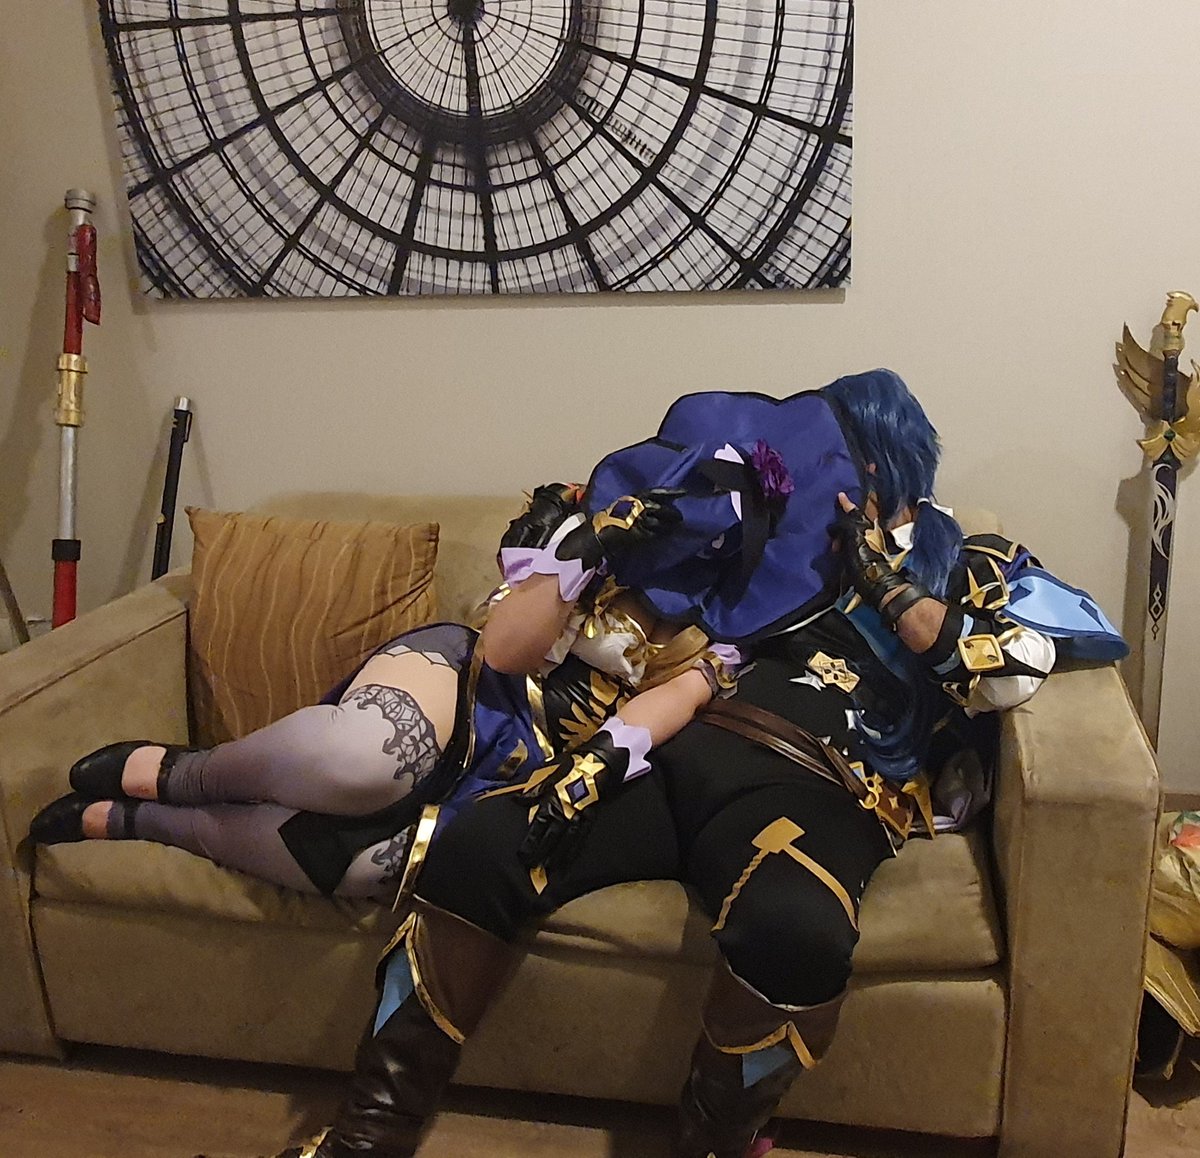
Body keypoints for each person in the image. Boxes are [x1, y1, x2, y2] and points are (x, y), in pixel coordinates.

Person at [253, 369, 1126, 1158]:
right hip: (679, 752)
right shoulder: (775, 549)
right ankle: (367, 1139)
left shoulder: (969, 561)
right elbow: (654, 610)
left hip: (815, 788)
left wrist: (890, 590)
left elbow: (1023, 664)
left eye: (844, 454)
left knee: (798, 930)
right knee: (484, 843)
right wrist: (602, 743)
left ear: (885, 460)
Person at [27, 482, 747, 901]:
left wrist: (600, 760)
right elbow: (504, 648)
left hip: (529, 763)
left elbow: (678, 698)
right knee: (368, 760)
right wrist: (586, 547)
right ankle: (187, 773)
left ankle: (152, 823)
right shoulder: (589, 515)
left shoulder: (732, 626)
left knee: (374, 866)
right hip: (467, 678)